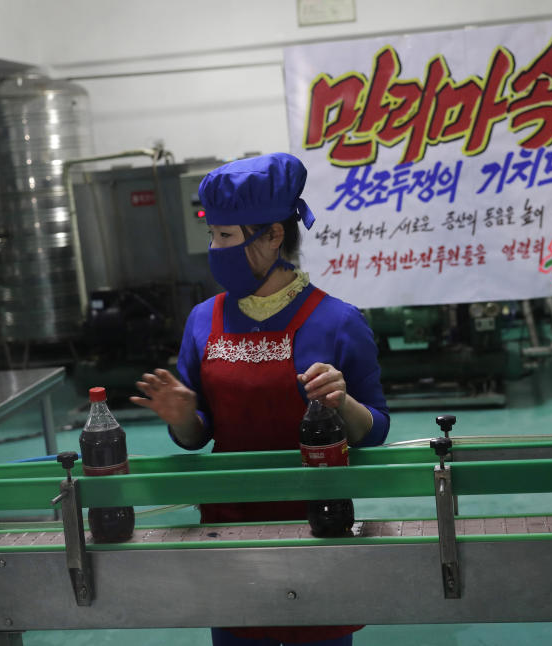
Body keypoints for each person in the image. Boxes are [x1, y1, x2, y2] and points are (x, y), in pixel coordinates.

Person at [130, 152, 390, 646]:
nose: (214, 248)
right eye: (213, 236)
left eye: (226, 237)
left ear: (273, 235)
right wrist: (184, 418)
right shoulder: (203, 320)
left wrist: (343, 402)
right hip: (229, 526)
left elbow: (376, 430)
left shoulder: (338, 322)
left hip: (318, 523)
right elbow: (196, 435)